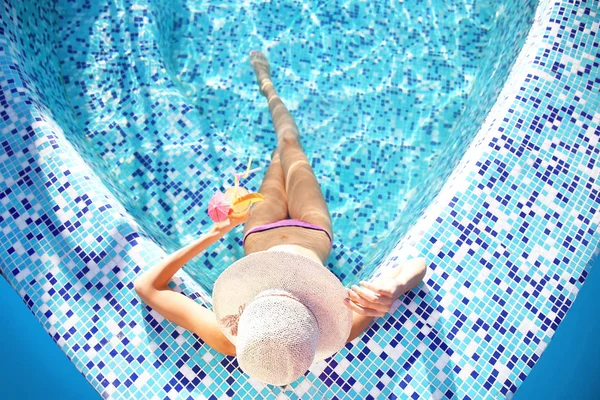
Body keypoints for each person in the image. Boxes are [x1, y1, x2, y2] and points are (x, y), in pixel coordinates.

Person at [134, 51, 427, 386]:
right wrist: (393, 286)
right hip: (312, 230)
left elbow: (147, 285)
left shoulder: (229, 338)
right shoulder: (343, 323)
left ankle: (267, 88)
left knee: (280, 155)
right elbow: (417, 265)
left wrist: (214, 234)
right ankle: (270, 90)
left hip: (261, 230)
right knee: (291, 144)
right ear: (315, 328)